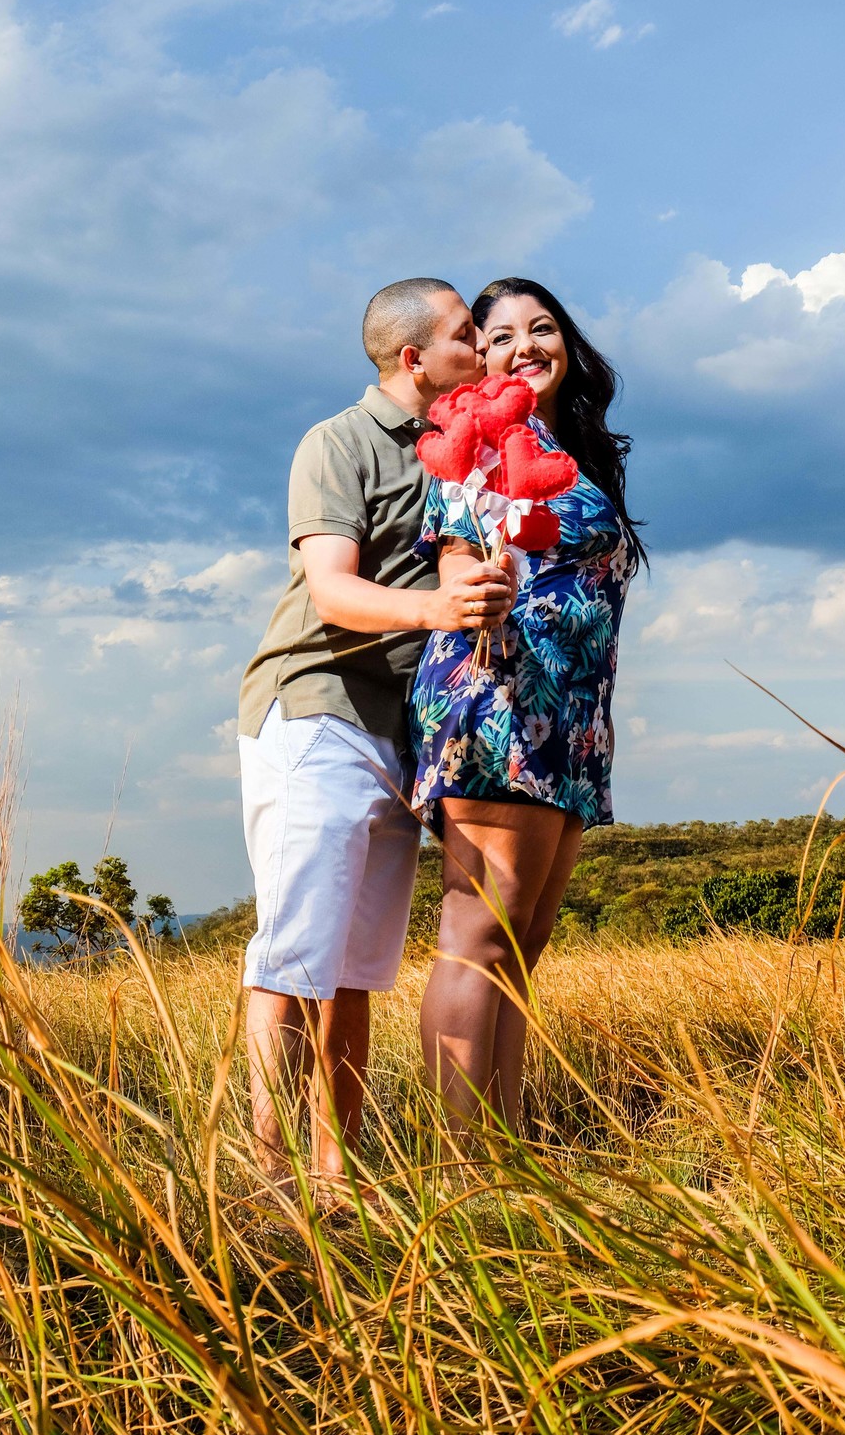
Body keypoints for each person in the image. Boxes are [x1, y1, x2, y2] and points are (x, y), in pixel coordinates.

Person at [237, 278, 515, 1197]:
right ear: (415, 358)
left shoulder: (463, 452)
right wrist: (440, 609)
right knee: (292, 956)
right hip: (318, 706)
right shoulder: (339, 442)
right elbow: (332, 591)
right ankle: (266, 1177)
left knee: (355, 969)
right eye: (469, 335)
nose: (486, 348)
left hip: (401, 731)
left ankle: (334, 1176)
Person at [410, 277, 647, 1130]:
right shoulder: (472, 441)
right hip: (501, 690)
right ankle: (458, 1165)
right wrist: (479, 585)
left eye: (542, 328)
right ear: (479, 356)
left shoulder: (569, 450)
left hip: (574, 716)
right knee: (480, 937)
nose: (525, 347)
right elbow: (455, 555)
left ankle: (505, 1152)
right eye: (501, 335)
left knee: (524, 941)